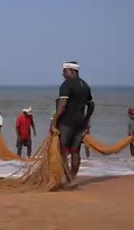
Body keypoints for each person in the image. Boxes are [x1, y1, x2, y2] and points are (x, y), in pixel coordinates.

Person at [52, 61, 94, 189]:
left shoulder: (66, 85)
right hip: (80, 124)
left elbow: (62, 105)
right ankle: (73, 177)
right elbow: (91, 105)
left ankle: (70, 180)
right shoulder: (85, 85)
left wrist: (54, 121)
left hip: (66, 123)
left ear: (72, 71)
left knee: (63, 152)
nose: (62, 74)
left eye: (64, 71)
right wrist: (86, 120)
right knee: (75, 151)